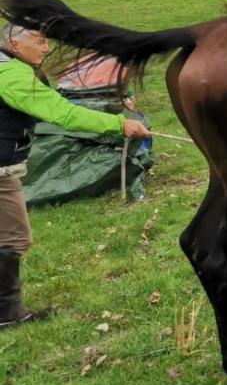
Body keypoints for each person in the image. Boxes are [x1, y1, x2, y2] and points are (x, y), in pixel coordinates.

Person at [0, 23, 151, 328]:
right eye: (40, 42)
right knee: (14, 237)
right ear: (15, 44)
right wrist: (118, 124)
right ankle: (7, 313)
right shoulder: (11, 75)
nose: (46, 48)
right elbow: (64, 113)